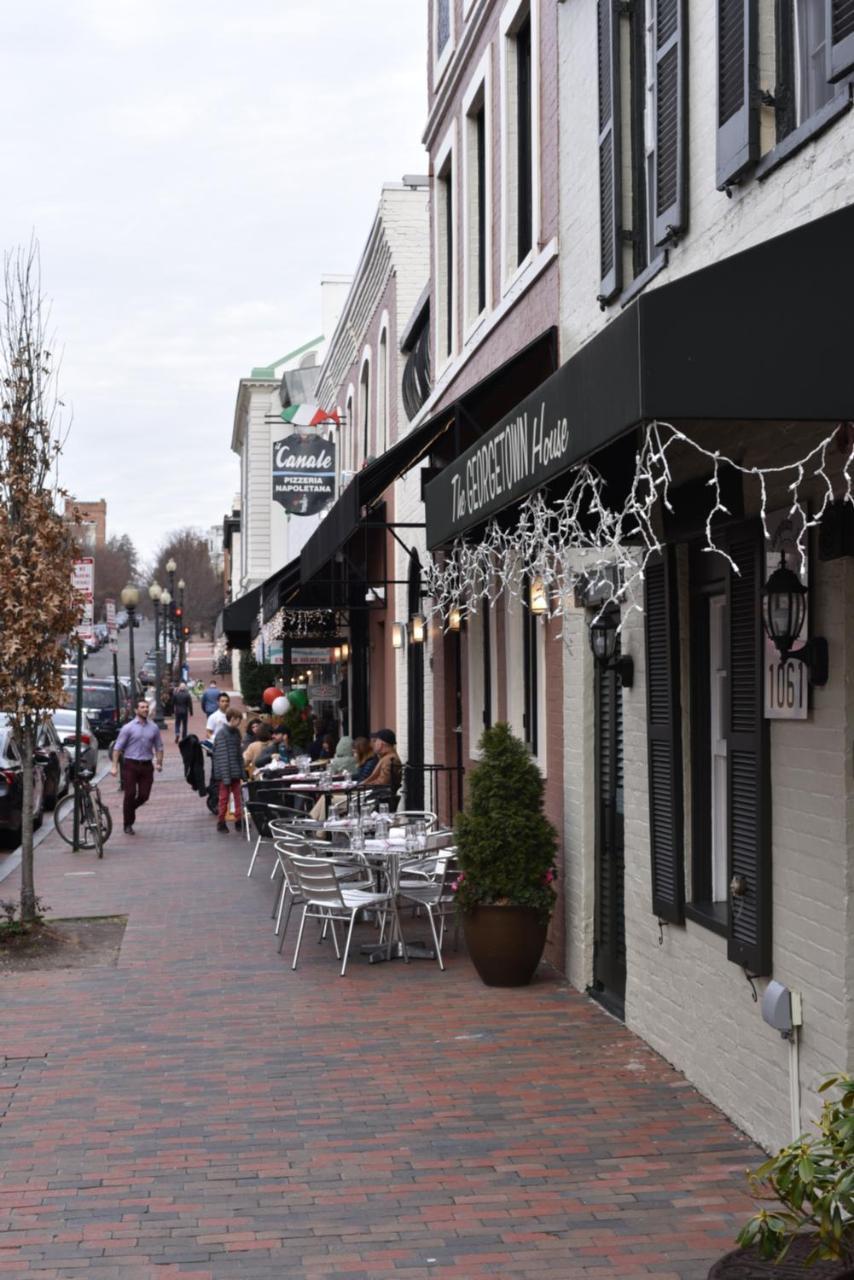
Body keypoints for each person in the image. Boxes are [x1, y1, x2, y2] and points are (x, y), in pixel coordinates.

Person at [111, 696, 164, 834]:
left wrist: (159, 763)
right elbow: (117, 747)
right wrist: (114, 766)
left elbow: (159, 747)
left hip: (146, 765)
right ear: (136, 710)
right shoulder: (128, 728)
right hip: (130, 765)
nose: (145, 709)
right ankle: (127, 824)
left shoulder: (153, 727)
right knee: (130, 794)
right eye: (142, 707)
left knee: (144, 796)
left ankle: (129, 809)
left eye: (146, 707)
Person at [212, 709, 245, 833]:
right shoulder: (222, 734)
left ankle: (239, 820)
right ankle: (221, 822)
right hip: (225, 773)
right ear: (232, 719)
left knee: (238, 797)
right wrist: (226, 777)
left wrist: (242, 772)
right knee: (224, 799)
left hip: (234, 771)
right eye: (238, 720)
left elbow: (238, 755)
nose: (239, 722)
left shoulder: (236, 733)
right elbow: (222, 757)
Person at [362, 729, 402, 798]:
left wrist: (363, 785)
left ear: (382, 744)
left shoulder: (389, 760)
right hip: (375, 795)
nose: (374, 744)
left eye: (375, 741)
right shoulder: (387, 757)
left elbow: (383, 782)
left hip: (378, 798)